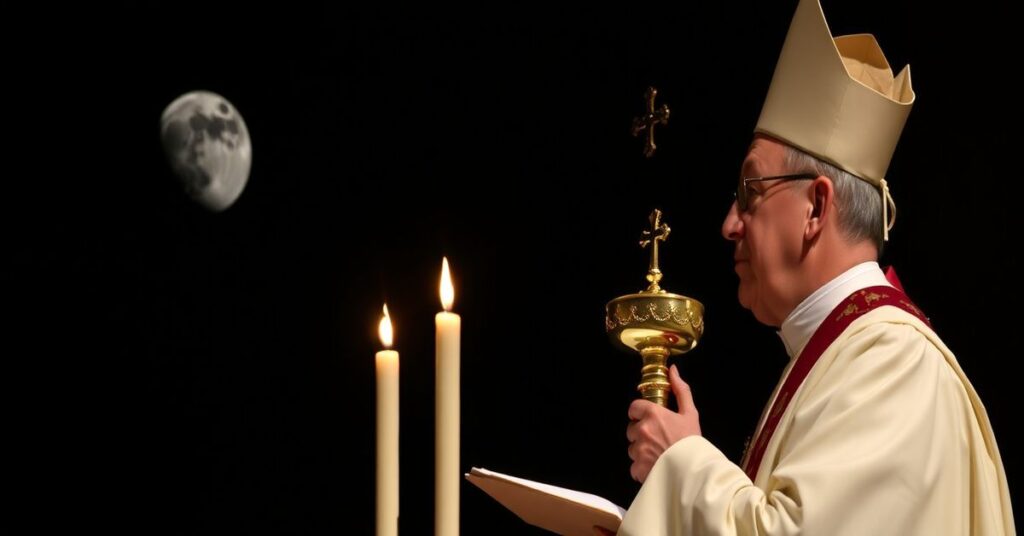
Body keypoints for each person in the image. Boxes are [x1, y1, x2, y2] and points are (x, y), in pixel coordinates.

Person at [613, 0, 1015, 534]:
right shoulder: (846, 356)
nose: (730, 223)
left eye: (749, 192)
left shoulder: (893, 364)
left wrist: (683, 462)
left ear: (817, 209)